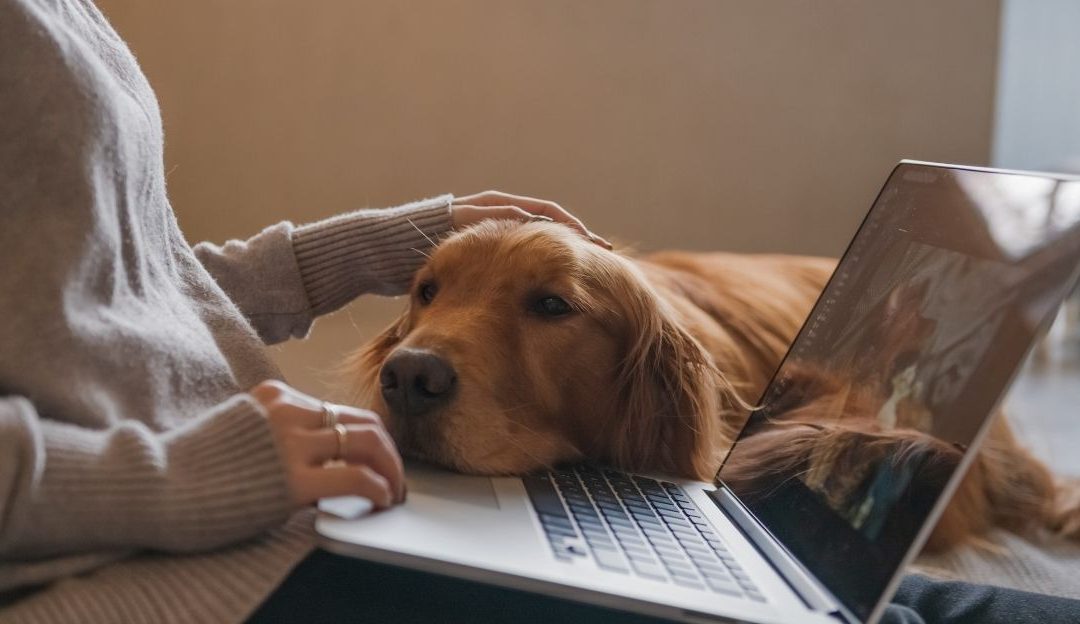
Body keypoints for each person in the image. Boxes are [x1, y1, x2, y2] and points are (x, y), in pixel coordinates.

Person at [2, 1, 1079, 623]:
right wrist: (182, 482)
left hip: (243, 499)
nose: (417, 358)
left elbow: (106, 283)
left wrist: (388, 246)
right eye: (427, 304)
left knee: (809, 581)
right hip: (162, 560)